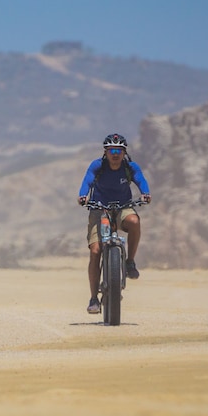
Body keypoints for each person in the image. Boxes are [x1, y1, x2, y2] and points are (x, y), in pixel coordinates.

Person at [77, 133, 151, 314]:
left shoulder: (130, 167)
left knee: (134, 221)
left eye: (119, 150)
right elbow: (87, 180)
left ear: (124, 152)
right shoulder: (98, 166)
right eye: (112, 150)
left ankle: (130, 262)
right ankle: (94, 298)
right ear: (106, 152)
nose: (115, 154)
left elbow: (141, 180)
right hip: (99, 208)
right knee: (95, 251)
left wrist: (145, 192)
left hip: (123, 207)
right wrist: (83, 195)